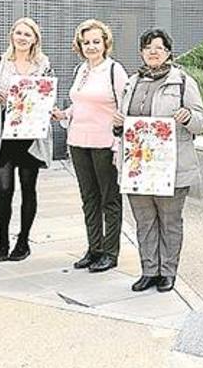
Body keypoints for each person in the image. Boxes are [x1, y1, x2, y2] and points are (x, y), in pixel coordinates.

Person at [112, 29, 203, 292]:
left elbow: (202, 122)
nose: (153, 52)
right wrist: (118, 125)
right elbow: (123, 123)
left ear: (168, 52)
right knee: (144, 220)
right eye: (148, 47)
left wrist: (188, 116)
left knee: (170, 220)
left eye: (159, 47)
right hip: (138, 166)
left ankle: (168, 271)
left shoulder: (183, 82)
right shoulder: (132, 83)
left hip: (171, 166)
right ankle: (149, 270)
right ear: (141, 52)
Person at [52, 19, 129, 272]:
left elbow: (124, 105)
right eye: (86, 42)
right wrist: (64, 114)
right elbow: (81, 104)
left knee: (109, 199)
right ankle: (93, 248)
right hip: (78, 142)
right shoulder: (81, 70)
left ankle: (110, 252)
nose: (91, 46)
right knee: (89, 199)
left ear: (106, 43)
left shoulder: (114, 70)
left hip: (105, 143)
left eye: (96, 41)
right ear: (80, 45)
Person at [0, 17, 53, 261]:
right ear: (12, 35)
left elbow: (49, 94)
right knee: (4, 188)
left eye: (28, 34)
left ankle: (23, 241)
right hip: (4, 135)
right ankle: (2, 240)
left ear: (35, 40)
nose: (22, 38)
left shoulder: (43, 64)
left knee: (28, 188)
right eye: (18, 33)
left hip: (30, 136)